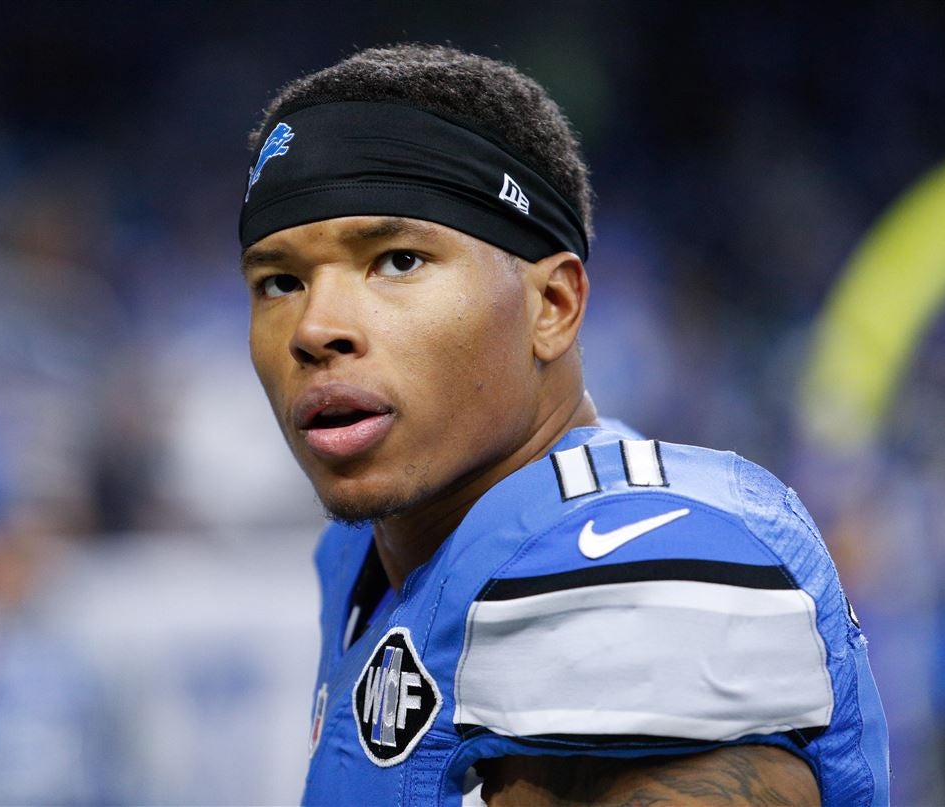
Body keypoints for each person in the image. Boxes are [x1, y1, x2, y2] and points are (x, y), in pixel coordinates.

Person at [237, 44, 889, 806]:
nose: (315, 327)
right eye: (280, 280)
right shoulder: (364, 549)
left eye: (399, 260)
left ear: (553, 306)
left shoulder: (630, 562)